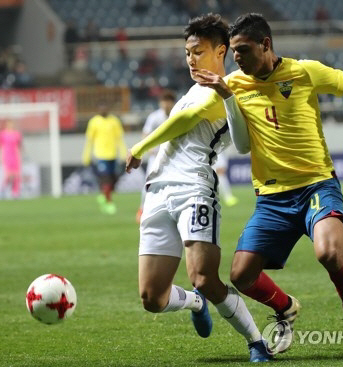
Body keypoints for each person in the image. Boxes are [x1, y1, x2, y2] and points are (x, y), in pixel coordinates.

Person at [139, 13, 343, 356]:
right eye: (234, 52)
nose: (237, 59)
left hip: (316, 185)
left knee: (329, 253)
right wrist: (140, 148)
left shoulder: (305, 71)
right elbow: (188, 118)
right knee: (240, 275)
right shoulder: (233, 85)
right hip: (271, 198)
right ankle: (284, 308)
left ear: (266, 45)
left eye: (244, 50)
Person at [125, 14, 274, 362]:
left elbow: (198, 127)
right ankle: (194, 302)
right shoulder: (192, 90)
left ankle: (257, 342)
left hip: (195, 188)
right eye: (187, 53)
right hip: (158, 192)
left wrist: (139, 147)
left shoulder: (232, 88)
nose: (190, 59)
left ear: (221, 51)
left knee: (204, 277)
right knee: (151, 298)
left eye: (198, 51)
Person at [136, 89, 177, 223]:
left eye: (169, 102)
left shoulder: (177, 115)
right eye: (164, 102)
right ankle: (142, 209)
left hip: (173, 156)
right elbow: (145, 133)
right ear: (160, 103)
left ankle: (173, 210)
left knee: (175, 183)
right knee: (149, 183)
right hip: (157, 156)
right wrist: (149, 148)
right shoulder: (154, 117)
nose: (166, 105)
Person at [82, 101, 127, 215]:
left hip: (113, 155)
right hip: (101, 155)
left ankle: (103, 196)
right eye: (101, 108)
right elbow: (89, 141)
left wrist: (123, 153)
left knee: (114, 180)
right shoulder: (94, 122)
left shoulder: (114, 121)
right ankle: (109, 203)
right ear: (98, 110)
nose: (103, 110)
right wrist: (86, 155)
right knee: (106, 179)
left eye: (105, 108)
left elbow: (119, 139)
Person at [0, 120, 23, 199]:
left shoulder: (17, 134)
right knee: (8, 175)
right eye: (9, 124)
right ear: (6, 125)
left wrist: (21, 155)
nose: (11, 126)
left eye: (12, 124)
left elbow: (20, 146)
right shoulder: (2, 134)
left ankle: (15, 193)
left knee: (17, 175)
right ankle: (2, 190)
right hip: (6, 155)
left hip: (15, 156)